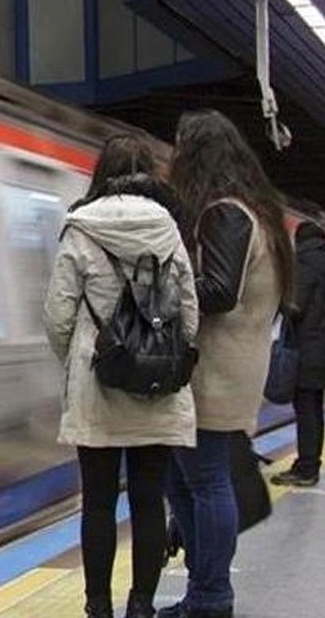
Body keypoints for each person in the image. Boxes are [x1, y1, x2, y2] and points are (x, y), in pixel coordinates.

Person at [44, 133, 199, 618]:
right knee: (150, 501)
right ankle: (142, 606)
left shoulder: (80, 228)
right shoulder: (169, 230)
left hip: (98, 384)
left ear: (101, 173)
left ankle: (98, 607)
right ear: (150, 175)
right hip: (156, 387)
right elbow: (190, 312)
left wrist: (78, 358)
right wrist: (165, 353)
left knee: (98, 502)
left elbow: (57, 315)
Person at [160, 109, 294, 618]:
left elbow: (218, 291)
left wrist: (162, 295)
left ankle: (211, 596)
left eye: (179, 147)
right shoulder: (255, 211)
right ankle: (205, 590)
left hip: (216, 370)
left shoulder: (226, 213)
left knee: (203, 480)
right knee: (189, 479)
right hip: (233, 365)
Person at [272, 216, 325, 487]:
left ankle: (306, 468)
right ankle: (308, 463)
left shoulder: (306, 260)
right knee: (314, 408)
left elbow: (296, 305)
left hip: (309, 348)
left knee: (307, 409)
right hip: (318, 346)